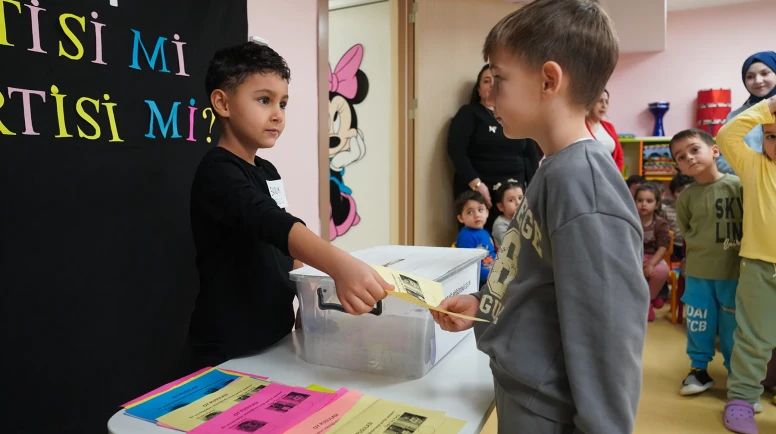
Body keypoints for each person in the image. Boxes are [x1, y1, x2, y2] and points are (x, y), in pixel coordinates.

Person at [430, 1, 648, 432]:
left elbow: (607, 334)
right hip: (523, 385)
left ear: (549, 80)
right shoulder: (553, 166)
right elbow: (533, 275)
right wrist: (483, 306)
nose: (489, 94)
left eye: (500, 79)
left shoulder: (582, 183)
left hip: (549, 407)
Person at [181, 41, 393, 373]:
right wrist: (340, 266)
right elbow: (271, 222)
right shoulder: (216, 172)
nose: (278, 114)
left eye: (283, 103)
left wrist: (306, 302)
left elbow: (283, 244)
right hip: (226, 350)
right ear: (222, 103)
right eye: (264, 100)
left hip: (275, 339)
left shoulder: (268, 172)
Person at [669, 129, 743, 398]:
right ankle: (698, 370)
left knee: (732, 326)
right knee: (698, 322)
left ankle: (737, 374)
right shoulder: (686, 198)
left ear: (714, 151)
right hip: (700, 273)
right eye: (680, 156)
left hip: (733, 273)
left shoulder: (738, 186)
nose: (688, 157)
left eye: (693, 149)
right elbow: (688, 232)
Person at [719, 96, 776, 434]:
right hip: (759, 266)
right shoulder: (755, 166)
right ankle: (741, 399)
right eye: (771, 135)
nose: (775, 142)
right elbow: (726, 136)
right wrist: (767, 106)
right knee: (753, 337)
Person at [447, 64, 540, 231]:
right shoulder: (469, 113)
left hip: (513, 195)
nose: (491, 85)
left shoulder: (516, 114)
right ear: (478, 89)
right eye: (486, 81)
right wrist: (477, 185)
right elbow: (456, 151)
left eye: (496, 81)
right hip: (481, 193)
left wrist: (534, 190)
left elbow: (530, 154)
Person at [718, 52, 776, 175]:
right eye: (750, 76)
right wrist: (750, 174)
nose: (758, 80)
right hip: (749, 186)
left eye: (765, 73)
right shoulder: (736, 116)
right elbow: (722, 159)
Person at [635, 183, 671, 322]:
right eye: (640, 200)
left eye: (649, 201)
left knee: (662, 271)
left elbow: (663, 246)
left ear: (656, 205)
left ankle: (648, 301)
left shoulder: (660, 223)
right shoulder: (631, 220)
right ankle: (635, 301)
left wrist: (651, 263)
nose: (644, 204)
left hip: (653, 257)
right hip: (634, 256)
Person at [454, 191, 496, 285]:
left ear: (487, 213)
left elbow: (491, 253)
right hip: (480, 283)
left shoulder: (485, 232)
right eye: (470, 212)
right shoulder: (465, 237)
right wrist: (489, 276)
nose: (477, 215)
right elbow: (469, 265)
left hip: (493, 274)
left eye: (480, 210)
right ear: (461, 218)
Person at [585, 89, 625, 172]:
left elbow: (619, 156)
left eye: (606, 102)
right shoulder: (580, 125)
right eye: (600, 101)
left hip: (610, 176)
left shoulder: (609, 126)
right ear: (590, 102)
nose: (604, 105)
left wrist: (615, 175)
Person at [663, 173, 694, 262]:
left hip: (692, 245)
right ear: (672, 194)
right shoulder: (666, 211)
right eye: (679, 191)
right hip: (674, 246)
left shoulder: (698, 209)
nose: (684, 195)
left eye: (688, 191)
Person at [490, 180, 523, 248]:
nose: (518, 203)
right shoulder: (500, 225)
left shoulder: (525, 217)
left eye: (520, 198)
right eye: (511, 200)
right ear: (501, 207)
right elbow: (512, 244)